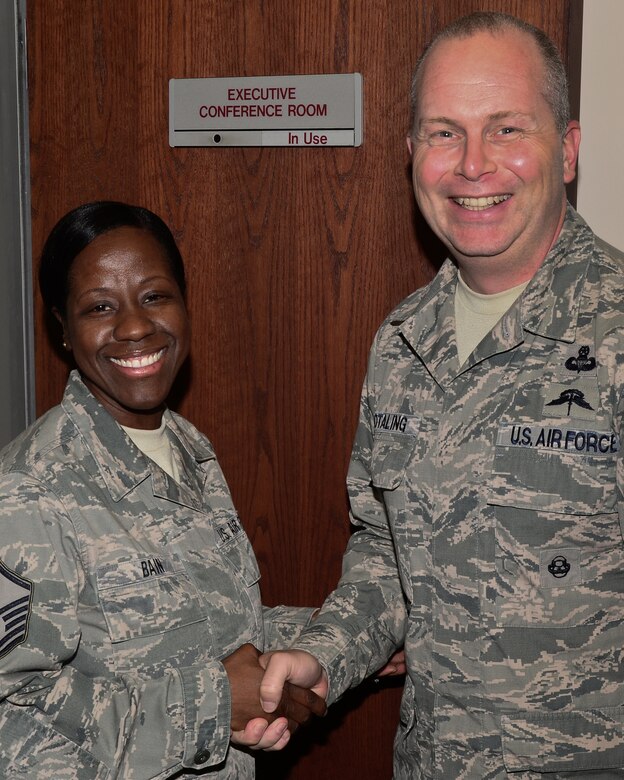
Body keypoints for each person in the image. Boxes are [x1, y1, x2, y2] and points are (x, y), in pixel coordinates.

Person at [259, 11, 624, 778]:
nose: (472, 165)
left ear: (567, 150)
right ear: (411, 155)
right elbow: (386, 553)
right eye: (443, 133)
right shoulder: (401, 341)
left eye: (506, 129)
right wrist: (325, 655)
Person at [0, 201, 325, 779]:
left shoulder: (186, 445)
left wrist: (339, 640)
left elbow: (216, 625)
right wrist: (214, 704)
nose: (134, 327)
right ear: (64, 329)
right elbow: (15, 723)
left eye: (155, 296)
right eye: (100, 306)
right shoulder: (29, 488)